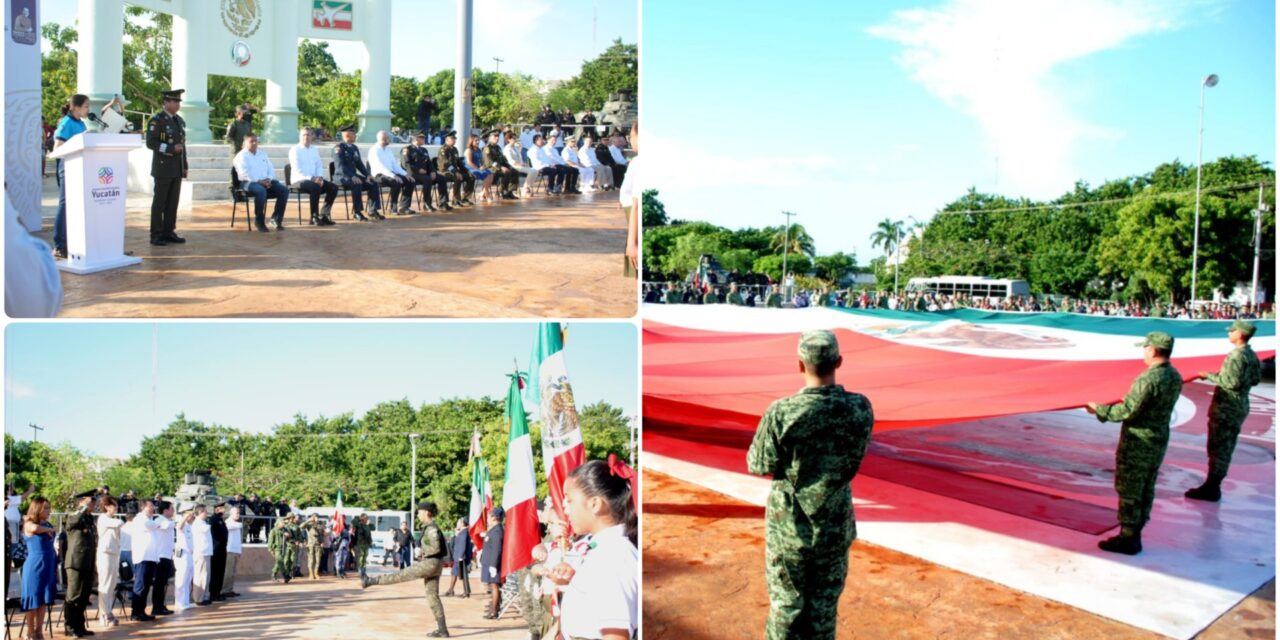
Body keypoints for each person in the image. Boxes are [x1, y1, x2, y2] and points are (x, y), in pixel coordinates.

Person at [746, 330, 875, 640]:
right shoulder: (860, 407)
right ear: (839, 362)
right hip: (834, 521)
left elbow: (758, 464)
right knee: (823, 608)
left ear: (800, 365)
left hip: (788, 524)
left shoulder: (782, 412)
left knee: (786, 606)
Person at [1086, 331, 1184, 555]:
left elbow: (1128, 410)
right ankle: (1136, 530)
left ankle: (1129, 538)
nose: (1144, 352)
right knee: (1146, 486)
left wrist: (1099, 409)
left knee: (1130, 487)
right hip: (1157, 439)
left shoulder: (1148, 378)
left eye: (1146, 348)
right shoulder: (1174, 375)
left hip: (1138, 440)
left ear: (1153, 350)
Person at [546, 458, 639, 640]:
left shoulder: (614, 557)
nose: (564, 508)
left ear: (595, 504)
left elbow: (616, 635)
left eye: (570, 500)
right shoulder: (605, 550)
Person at [1187, 319, 1264, 501]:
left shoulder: (1237, 356)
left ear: (1240, 334)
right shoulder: (1250, 354)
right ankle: (1213, 485)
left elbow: (1231, 382)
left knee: (1219, 448)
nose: (1229, 333)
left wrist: (1210, 375)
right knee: (1225, 446)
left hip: (1227, 407)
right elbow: (1254, 379)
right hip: (1239, 404)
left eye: (1232, 331)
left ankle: (1212, 487)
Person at [361, 502, 450, 638]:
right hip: (436, 564)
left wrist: (422, 551)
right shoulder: (429, 527)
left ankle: (371, 580)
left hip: (430, 563)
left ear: (427, 512)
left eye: (419, 512)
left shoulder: (431, 528)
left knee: (401, 574)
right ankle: (443, 629)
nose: (418, 514)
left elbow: (436, 547)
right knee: (432, 597)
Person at [145, 88, 189, 246]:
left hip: (176, 168)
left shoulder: (178, 120)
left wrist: (184, 165)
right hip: (163, 168)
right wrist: (170, 149)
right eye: (174, 101)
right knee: (160, 203)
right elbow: (151, 142)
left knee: (172, 202)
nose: (177, 104)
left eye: (178, 102)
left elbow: (182, 146)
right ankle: (156, 234)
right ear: (166, 102)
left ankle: (168, 231)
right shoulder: (157, 120)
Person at [51, 94, 92, 259]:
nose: (88, 109)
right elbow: (57, 147)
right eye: (86, 106)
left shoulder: (80, 123)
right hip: (67, 166)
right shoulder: (66, 123)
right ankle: (60, 245)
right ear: (75, 107)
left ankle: (73, 242)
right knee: (65, 205)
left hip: (80, 166)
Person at [232, 134, 289, 232]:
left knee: (284, 190)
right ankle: (259, 220)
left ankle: (276, 219)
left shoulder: (262, 154)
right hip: (247, 183)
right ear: (244, 143)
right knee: (261, 190)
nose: (254, 143)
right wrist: (259, 181)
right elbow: (243, 174)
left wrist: (268, 179)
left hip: (265, 182)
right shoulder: (241, 156)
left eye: (256, 141)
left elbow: (270, 169)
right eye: (251, 141)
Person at [61, 491, 98, 638]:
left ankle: (79, 626)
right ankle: (70, 627)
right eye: (90, 502)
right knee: (74, 596)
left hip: (87, 562)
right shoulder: (74, 515)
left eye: (94, 503)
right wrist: (83, 507)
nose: (93, 505)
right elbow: (72, 523)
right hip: (75, 563)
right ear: (82, 502)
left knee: (84, 596)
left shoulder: (88, 519)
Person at [20, 497, 57, 640]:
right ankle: (29, 631)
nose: (48, 511)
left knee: (43, 599)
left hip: (48, 564)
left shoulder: (47, 524)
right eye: (45, 508)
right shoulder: (29, 523)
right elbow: (34, 529)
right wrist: (49, 529)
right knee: (33, 599)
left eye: (49, 507)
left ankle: (39, 631)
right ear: (37, 508)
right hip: (34, 565)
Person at [288, 128, 339, 226]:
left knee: (333, 187)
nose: (306, 137)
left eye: (308, 135)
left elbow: (319, 165)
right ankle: (314, 217)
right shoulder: (295, 150)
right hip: (299, 180)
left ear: (312, 137)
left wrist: (319, 177)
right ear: (299, 137)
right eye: (304, 135)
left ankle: (324, 215)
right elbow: (298, 170)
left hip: (314, 180)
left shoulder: (314, 149)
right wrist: (313, 179)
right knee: (315, 187)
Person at [332, 124, 383, 221]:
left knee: (373, 183)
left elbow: (359, 164)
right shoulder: (338, 148)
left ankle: (373, 211)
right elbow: (340, 166)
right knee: (357, 184)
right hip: (341, 177)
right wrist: (352, 176)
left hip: (353, 176)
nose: (355, 136)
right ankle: (357, 212)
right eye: (353, 134)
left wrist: (367, 175)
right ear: (347, 135)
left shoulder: (354, 148)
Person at [126, 500, 166, 621]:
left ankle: (141, 611)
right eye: (150, 506)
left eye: (153, 506)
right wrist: (159, 524)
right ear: (143, 507)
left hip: (150, 557)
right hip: (143, 557)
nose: (153, 508)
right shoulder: (140, 519)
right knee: (141, 586)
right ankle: (136, 612)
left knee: (146, 586)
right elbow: (153, 525)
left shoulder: (149, 520)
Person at [369, 130, 417, 214]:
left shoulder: (388, 150)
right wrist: (393, 176)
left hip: (390, 174)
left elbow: (395, 165)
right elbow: (380, 167)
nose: (390, 139)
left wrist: (406, 174)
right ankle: (393, 208)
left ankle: (404, 207)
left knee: (410, 181)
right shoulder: (374, 150)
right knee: (396, 182)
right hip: (379, 175)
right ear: (383, 138)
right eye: (388, 138)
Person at [94, 495, 124, 628]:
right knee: (105, 585)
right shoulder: (103, 518)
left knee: (112, 585)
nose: (116, 508)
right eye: (114, 505)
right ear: (106, 506)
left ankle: (108, 611)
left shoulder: (111, 519)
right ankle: (104, 614)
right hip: (105, 554)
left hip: (114, 554)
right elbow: (120, 523)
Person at [402, 131, 449, 211]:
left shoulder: (424, 150)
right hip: (413, 173)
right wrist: (418, 170)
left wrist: (433, 171)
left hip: (424, 173)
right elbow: (405, 164)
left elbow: (429, 163)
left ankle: (443, 203)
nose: (424, 139)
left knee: (442, 178)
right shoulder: (407, 149)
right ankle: (427, 204)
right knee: (427, 179)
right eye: (422, 138)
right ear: (416, 138)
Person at [617, 123, 641, 277]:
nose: (630, 140)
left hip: (635, 217)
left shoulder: (640, 163)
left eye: (631, 136)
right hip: (631, 213)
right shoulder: (636, 161)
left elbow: (637, 204)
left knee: (636, 267)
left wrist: (632, 243)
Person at [150, 501, 176, 616]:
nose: (173, 511)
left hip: (167, 555)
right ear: (165, 510)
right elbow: (167, 526)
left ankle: (160, 605)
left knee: (164, 583)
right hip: (160, 556)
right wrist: (178, 520)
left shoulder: (167, 521)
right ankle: (156, 607)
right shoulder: (159, 520)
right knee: (159, 583)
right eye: (171, 508)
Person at [436, 131, 475, 207]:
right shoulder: (443, 150)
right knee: (457, 177)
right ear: (447, 140)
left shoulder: (454, 149)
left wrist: (468, 171)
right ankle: (456, 200)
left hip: (454, 171)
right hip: (444, 171)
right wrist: (455, 172)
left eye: (455, 138)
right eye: (452, 138)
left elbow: (459, 163)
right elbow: (446, 164)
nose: (454, 140)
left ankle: (465, 198)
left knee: (471, 177)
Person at [480, 506, 505, 619]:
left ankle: (494, 611)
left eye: (490, 516)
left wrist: (493, 565)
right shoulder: (494, 529)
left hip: (493, 563)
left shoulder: (497, 531)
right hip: (490, 562)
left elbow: (496, 549)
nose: (488, 518)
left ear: (494, 517)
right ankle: (493, 608)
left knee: (494, 586)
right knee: (492, 585)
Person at [482, 130, 520, 200]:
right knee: (506, 172)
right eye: (495, 136)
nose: (497, 138)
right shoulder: (487, 148)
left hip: (498, 167)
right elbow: (490, 162)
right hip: (490, 168)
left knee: (514, 171)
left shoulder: (498, 148)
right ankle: (500, 191)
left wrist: (508, 166)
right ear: (490, 137)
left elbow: (503, 159)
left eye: (498, 136)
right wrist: (500, 167)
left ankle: (509, 192)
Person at [172, 503, 195, 612]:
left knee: (188, 578)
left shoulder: (189, 525)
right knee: (181, 579)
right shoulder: (181, 523)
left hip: (190, 554)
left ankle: (186, 602)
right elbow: (178, 527)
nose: (193, 516)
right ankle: (179, 602)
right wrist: (185, 516)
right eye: (191, 514)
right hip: (182, 555)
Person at [190, 505, 214, 603]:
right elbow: (206, 528)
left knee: (206, 576)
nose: (207, 514)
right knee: (200, 576)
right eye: (205, 512)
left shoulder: (203, 522)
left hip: (206, 552)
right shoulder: (198, 523)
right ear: (200, 513)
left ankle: (204, 596)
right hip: (201, 553)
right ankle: (198, 598)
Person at [444, 517, 472, 598]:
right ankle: (451, 590)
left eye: (458, 522)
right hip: (458, 556)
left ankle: (465, 592)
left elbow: (462, 544)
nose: (457, 524)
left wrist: (461, 556)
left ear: (463, 523)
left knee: (463, 575)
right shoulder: (462, 532)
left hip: (460, 557)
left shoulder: (464, 532)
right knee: (454, 573)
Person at [464, 135, 495, 202]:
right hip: (471, 169)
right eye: (476, 140)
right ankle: (487, 194)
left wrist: (483, 166)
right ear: (471, 141)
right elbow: (469, 162)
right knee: (486, 175)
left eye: (478, 140)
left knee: (491, 173)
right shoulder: (469, 150)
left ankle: (483, 193)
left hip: (478, 167)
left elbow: (481, 160)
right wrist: (478, 168)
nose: (478, 142)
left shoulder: (479, 150)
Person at [222, 506, 243, 596]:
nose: (238, 515)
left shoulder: (236, 523)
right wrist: (239, 525)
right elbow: (229, 526)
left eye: (239, 513)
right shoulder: (228, 522)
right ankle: (225, 590)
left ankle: (229, 589)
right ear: (231, 514)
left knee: (233, 572)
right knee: (228, 572)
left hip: (235, 550)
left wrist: (239, 551)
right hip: (229, 550)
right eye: (236, 513)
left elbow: (237, 540)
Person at [267, 515, 293, 583]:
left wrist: (288, 535)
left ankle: (273, 575)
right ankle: (286, 576)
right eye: (283, 522)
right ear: (279, 523)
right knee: (281, 562)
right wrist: (270, 550)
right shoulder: (273, 531)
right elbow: (270, 541)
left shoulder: (285, 529)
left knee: (278, 563)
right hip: (277, 549)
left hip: (284, 548)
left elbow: (290, 535)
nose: (284, 524)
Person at [303, 513, 326, 580]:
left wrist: (322, 542)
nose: (316, 518)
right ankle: (311, 574)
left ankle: (316, 573)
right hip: (311, 544)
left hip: (318, 544)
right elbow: (301, 526)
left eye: (316, 517)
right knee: (311, 560)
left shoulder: (321, 525)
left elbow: (322, 535)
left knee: (318, 560)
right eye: (314, 517)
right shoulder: (309, 524)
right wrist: (308, 520)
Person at [353, 513, 373, 580]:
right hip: (360, 544)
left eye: (367, 518)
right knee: (361, 559)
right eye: (366, 518)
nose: (367, 520)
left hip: (366, 544)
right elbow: (353, 521)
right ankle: (361, 573)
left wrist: (370, 542)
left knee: (364, 559)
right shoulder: (359, 525)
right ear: (362, 519)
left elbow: (372, 529)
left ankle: (364, 573)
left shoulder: (367, 526)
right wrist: (360, 518)